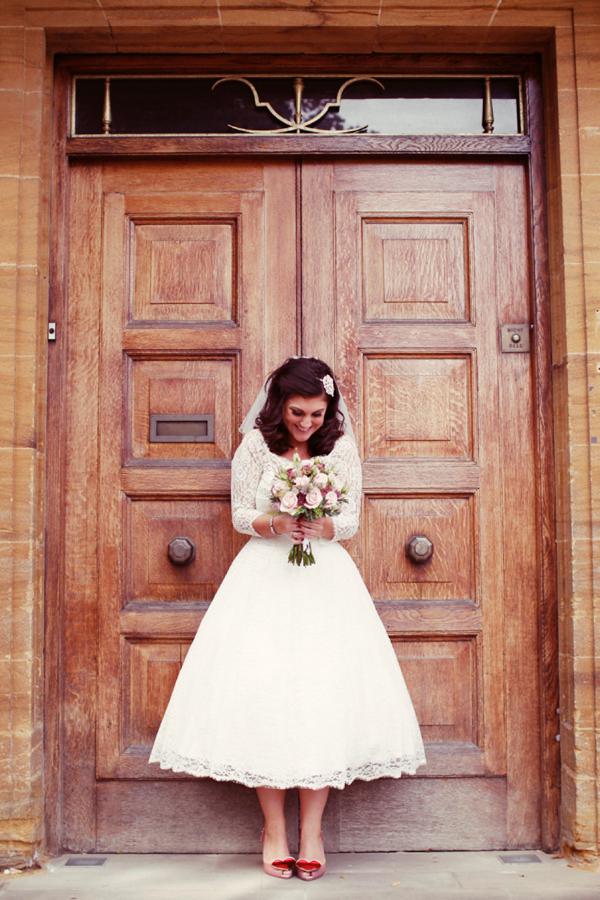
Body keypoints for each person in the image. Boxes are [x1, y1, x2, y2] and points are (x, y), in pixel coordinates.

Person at [149, 357, 425, 880]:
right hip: (264, 576)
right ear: (280, 405)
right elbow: (237, 514)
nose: (306, 423)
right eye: (298, 413)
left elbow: (350, 519)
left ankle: (312, 831)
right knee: (264, 694)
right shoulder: (256, 447)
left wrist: (321, 526)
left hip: (324, 580)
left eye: (317, 414)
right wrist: (275, 521)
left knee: (323, 693)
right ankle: (273, 827)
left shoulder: (339, 448)